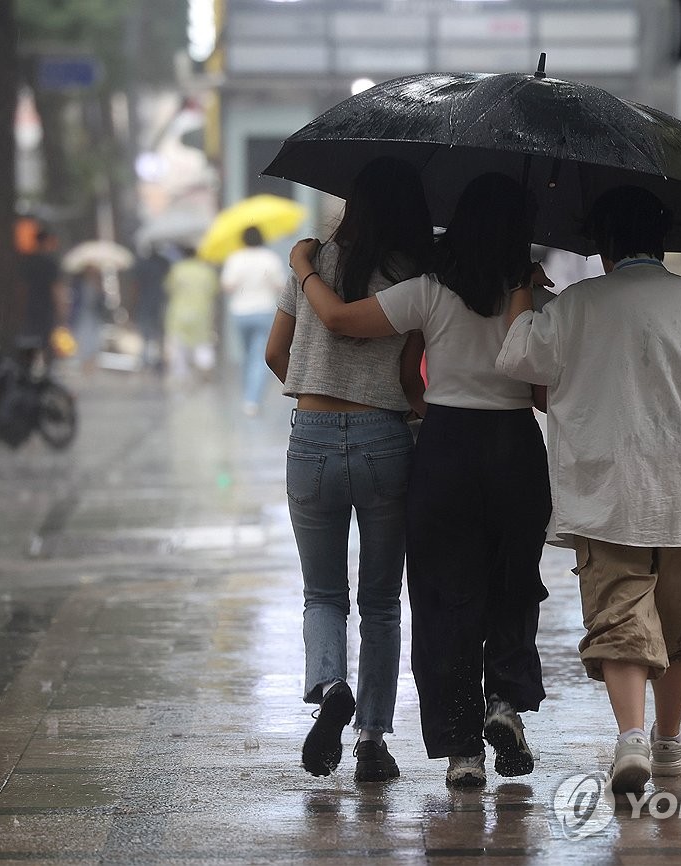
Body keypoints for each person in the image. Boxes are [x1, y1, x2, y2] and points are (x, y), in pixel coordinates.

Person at [290, 173, 554, 788]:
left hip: (446, 447)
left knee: (443, 597)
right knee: (513, 584)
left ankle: (462, 749)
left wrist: (305, 266)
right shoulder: (537, 299)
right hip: (515, 447)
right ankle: (505, 703)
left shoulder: (429, 291)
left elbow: (348, 324)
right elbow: (543, 393)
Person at [495, 185, 681, 795]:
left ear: (603, 246)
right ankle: (668, 742)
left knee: (619, 614)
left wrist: (521, 288)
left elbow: (515, 359)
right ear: (660, 241)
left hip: (609, 486)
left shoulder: (579, 304)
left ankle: (630, 738)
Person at [264, 156, 434, 783]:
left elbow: (274, 352)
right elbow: (410, 374)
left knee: (322, 593)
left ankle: (330, 683)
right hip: (385, 438)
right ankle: (371, 738)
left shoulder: (313, 266)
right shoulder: (413, 275)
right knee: (383, 601)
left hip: (310, 438)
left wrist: (314, 391)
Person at [221, 226, 286, 416]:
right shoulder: (270, 258)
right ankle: (252, 400)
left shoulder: (236, 258)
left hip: (240, 312)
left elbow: (227, 286)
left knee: (247, 354)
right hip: (264, 310)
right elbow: (280, 285)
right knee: (259, 356)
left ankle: (248, 395)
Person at [163, 247, 219, 383]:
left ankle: (181, 375)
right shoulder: (206, 271)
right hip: (202, 312)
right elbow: (214, 290)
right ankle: (205, 366)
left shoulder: (177, 270)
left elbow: (168, 288)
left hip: (179, 313)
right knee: (202, 342)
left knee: (179, 345)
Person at [18, 228, 67, 367]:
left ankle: (29, 369)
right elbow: (56, 289)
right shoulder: (50, 264)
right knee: (46, 342)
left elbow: (22, 289)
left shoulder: (28, 262)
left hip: (31, 308)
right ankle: (46, 371)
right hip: (46, 309)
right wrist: (62, 311)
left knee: (30, 340)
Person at [130, 245, 170, 372]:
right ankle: (157, 361)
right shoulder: (165, 264)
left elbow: (135, 286)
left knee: (146, 336)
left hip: (146, 303)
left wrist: (132, 303)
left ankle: (146, 362)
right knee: (158, 335)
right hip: (159, 302)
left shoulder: (142, 264)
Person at [68, 264, 104, 374]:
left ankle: (91, 367)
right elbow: (75, 300)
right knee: (83, 340)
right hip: (82, 315)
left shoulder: (98, 284)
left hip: (94, 316)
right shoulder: (79, 284)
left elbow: (102, 301)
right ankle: (84, 366)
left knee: (94, 341)